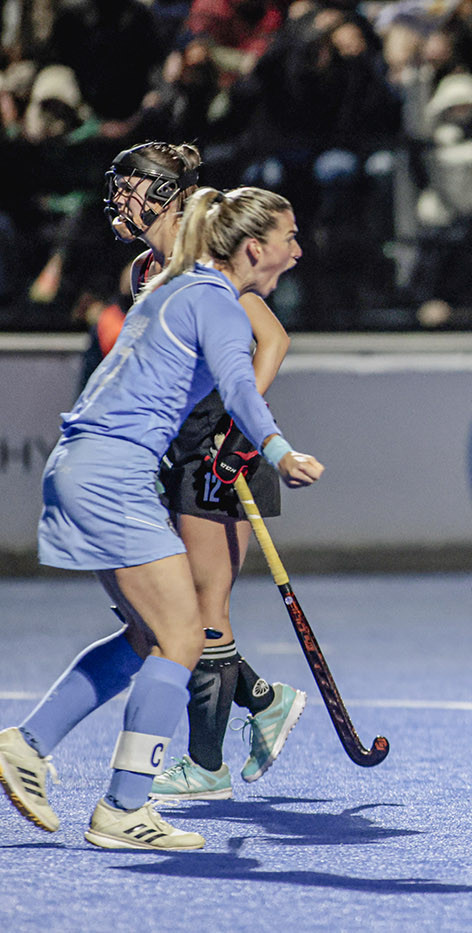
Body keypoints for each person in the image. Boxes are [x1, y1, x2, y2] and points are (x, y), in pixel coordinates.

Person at [0, 186, 322, 851]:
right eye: (289, 236)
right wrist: (278, 451)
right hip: (114, 476)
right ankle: (123, 808)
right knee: (184, 634)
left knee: (151, 637)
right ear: (254, 247)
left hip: (87, 466)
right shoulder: (217, 303)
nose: (298, 250)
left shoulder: (175, 286)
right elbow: (239, 385)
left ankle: (28, 744)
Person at [102, 142, 308, 803]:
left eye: (129, 188)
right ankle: (263, 700)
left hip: (223, 452)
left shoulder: (202, 264)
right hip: (180, 452)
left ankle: (207, 765)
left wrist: (243, 426)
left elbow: (272, 339)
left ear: (164, 195)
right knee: (176, 609)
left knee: (202, 607)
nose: (117, 200)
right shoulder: (144, 270)